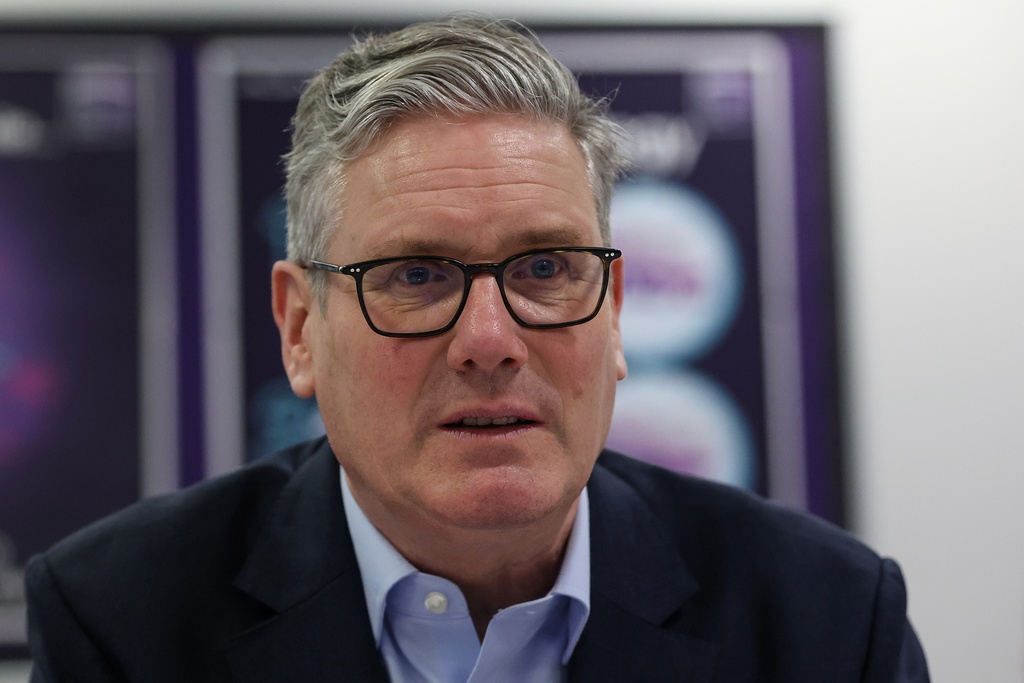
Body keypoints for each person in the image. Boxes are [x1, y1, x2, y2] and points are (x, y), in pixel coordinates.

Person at [25, 16, 929, 682]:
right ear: (301, 328)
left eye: (545, 267)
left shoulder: (827, 623)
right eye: (415, 275)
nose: (490, 341)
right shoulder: (122, 621)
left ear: (614, 312)